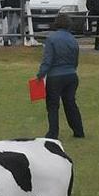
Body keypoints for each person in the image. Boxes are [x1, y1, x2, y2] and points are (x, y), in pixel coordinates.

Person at [35, 13, 84, 141]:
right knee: (70, 103)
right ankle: (78, 130)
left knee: (53, 105)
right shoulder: (73, 40)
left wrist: (41, 74)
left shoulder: (51, 39)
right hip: (71, 75)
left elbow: (47, 60)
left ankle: (53, 133)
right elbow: (75, 60)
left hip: (55, 77)